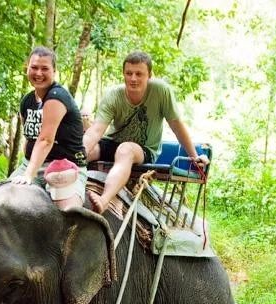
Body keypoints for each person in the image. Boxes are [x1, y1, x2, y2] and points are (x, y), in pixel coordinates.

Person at [82, 51, 210, 213]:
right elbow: (95, 131)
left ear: (149, 75)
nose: (133, 78)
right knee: (87, 149)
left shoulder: (161, 91)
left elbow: (177, 126)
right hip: (113, 142)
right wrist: (78, 153)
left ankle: (104, 200)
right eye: (129, 73)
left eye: (139, 74)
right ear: (123, 74)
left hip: (142, 150)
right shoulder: (114, 95)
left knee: (125, 149)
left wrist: (194, 156)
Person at [9, 46, 88, 207]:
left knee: (68, 214)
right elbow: (30, 139)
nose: (38, 73)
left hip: (63, 167)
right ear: (27, 68)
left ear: (54, 71)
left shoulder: (56, 97)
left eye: (44, 68)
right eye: (34, 67)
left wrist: (28, 176)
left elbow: (45, 140)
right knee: (2, 203)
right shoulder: (27, 101)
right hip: (30, 164)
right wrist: (25, 169)